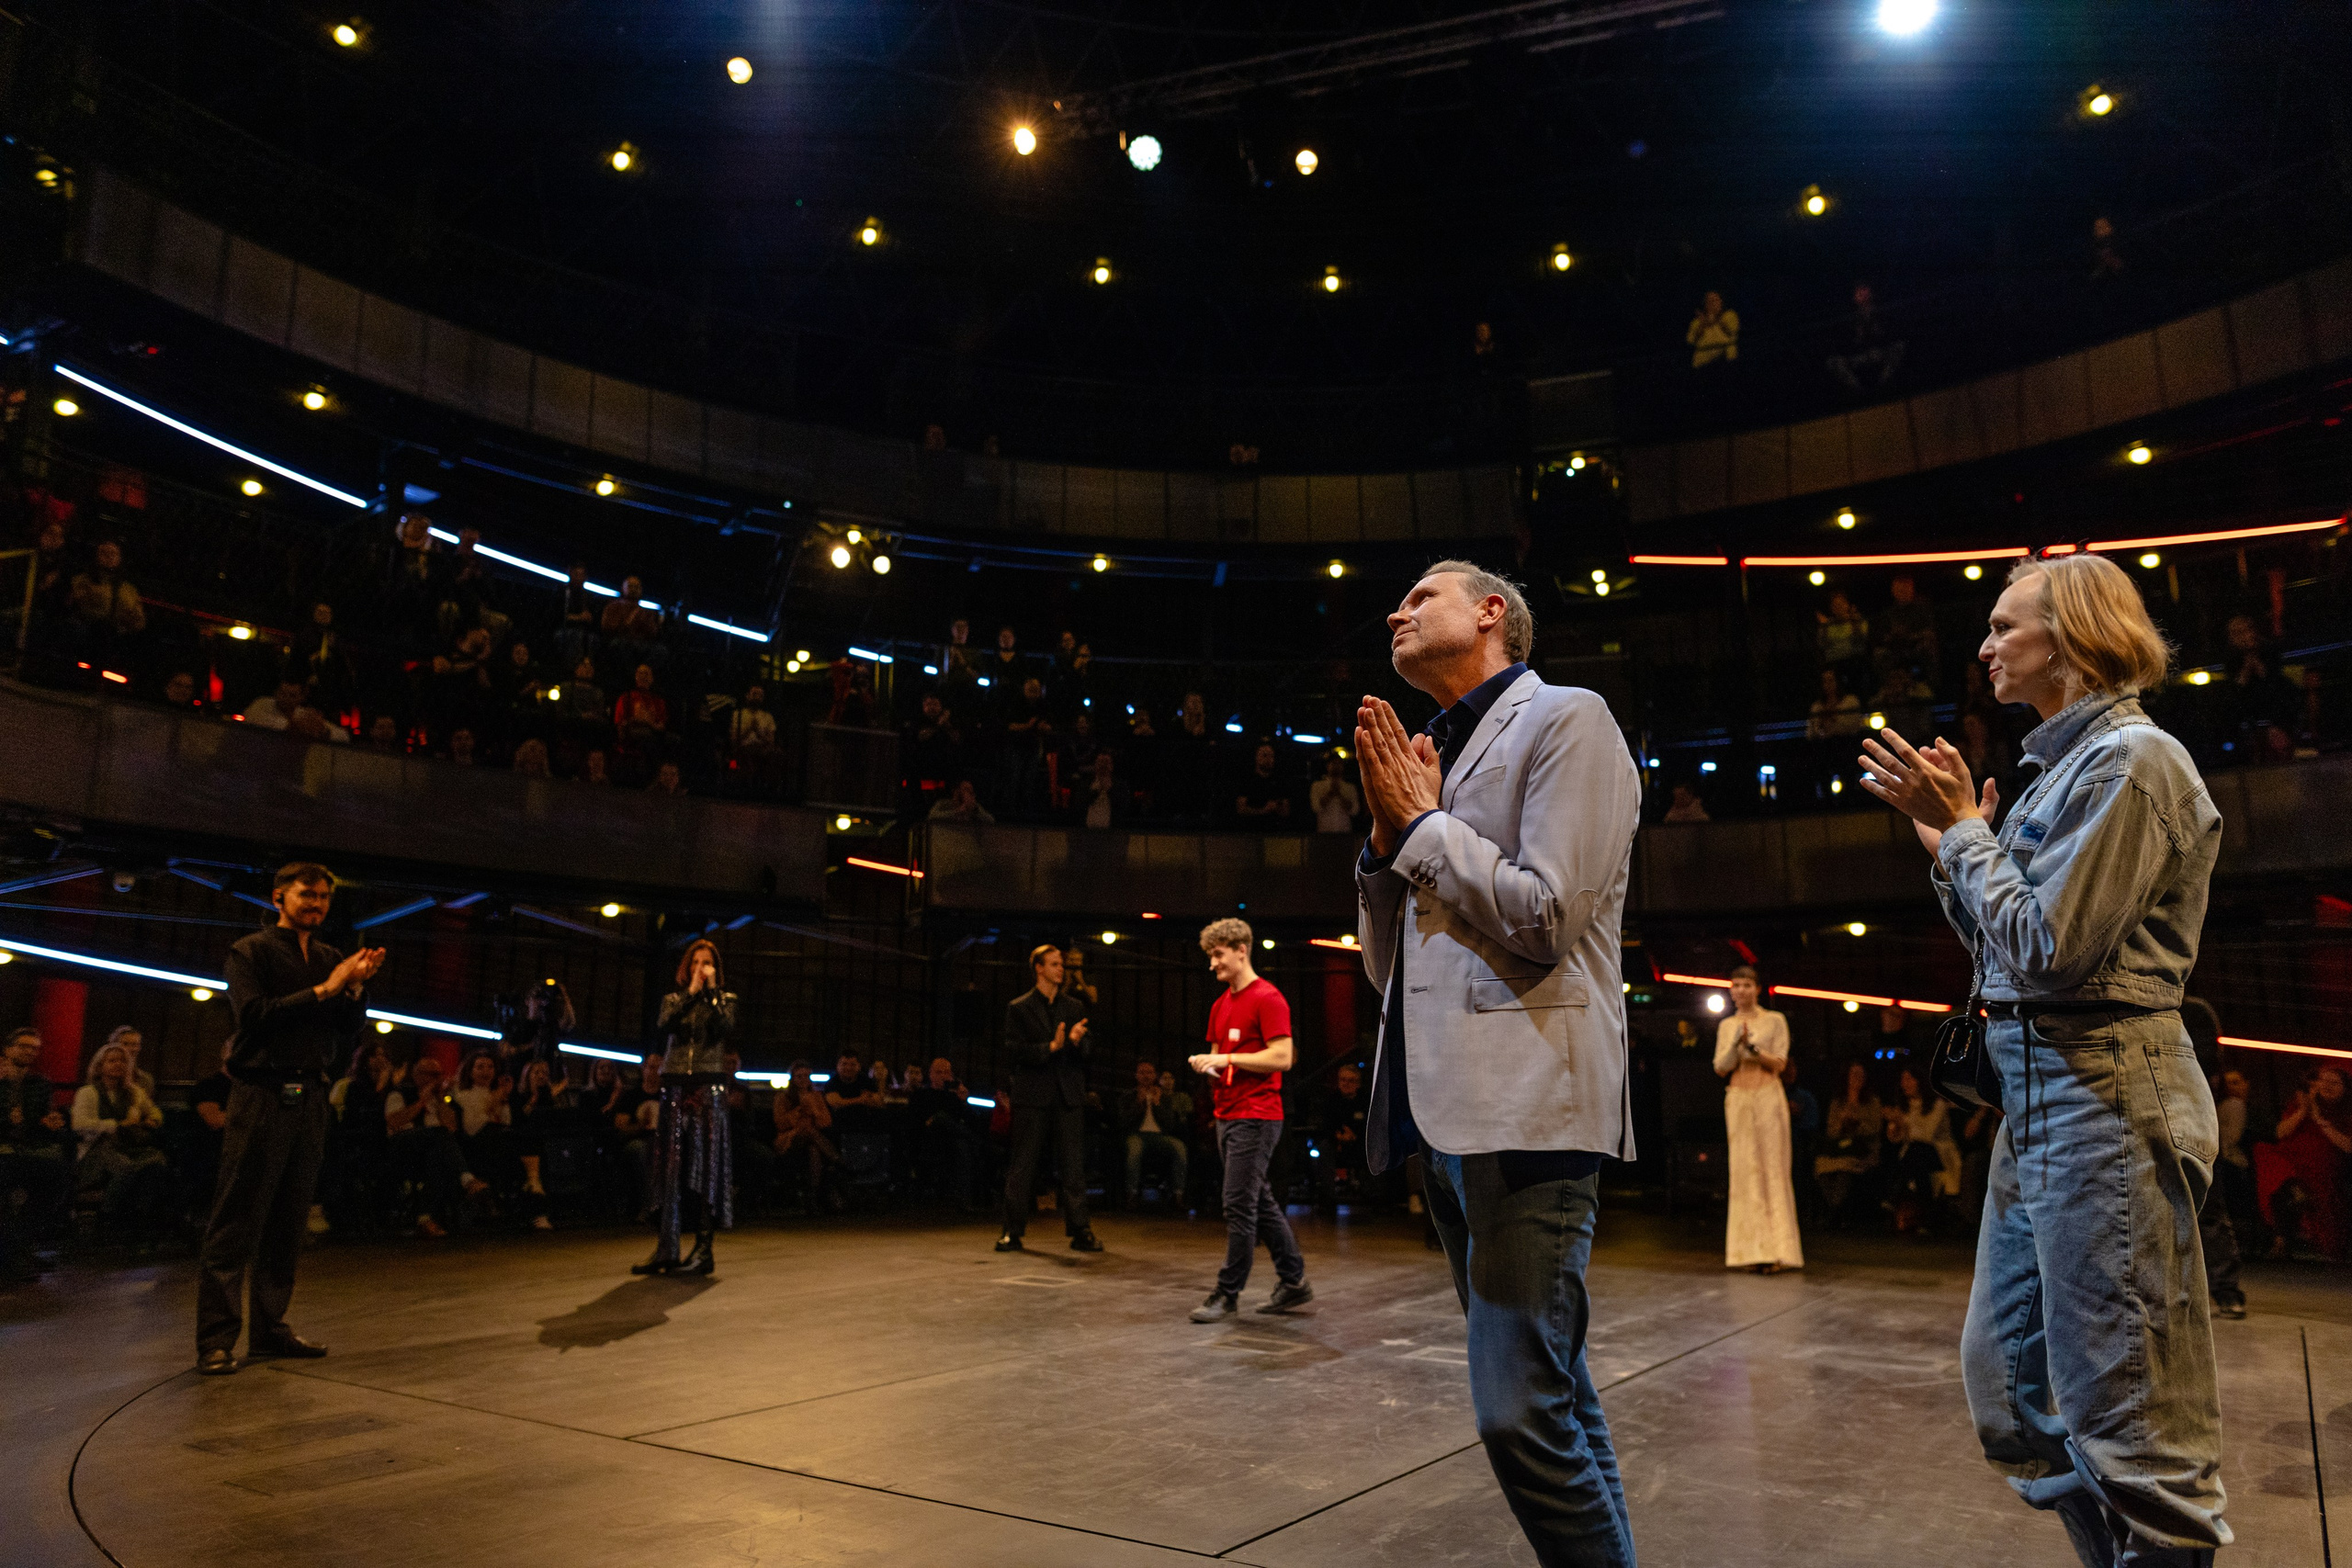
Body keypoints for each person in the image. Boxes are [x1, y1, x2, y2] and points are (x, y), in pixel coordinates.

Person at [1859, 550, 2228, 1564]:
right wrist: (1952, 847)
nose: (1982, 646)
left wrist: (1968, 837)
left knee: (2134, 1419)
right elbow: (2006, 944)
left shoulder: (2131, 764)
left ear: (2069, 640)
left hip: (2104, 1088)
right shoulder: (2060, 772)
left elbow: (2050, 952)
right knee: (2007, 1393)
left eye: (2001, 626)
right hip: (2045, 1094)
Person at [1352, 559, 1642, 1568]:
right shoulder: (1434, 754)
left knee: (1515, 1413)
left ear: (1490, 613)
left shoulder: (1569, 718)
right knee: (1546, 1391)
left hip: (1529, 1107)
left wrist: (1423, 829)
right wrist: (1388, 844)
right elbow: (1395, 972)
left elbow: (1546, 916)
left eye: (1419, 595)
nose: (1396, 609)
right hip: (1446, 1114)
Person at [198, 863, 385, 1375]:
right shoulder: (250, 951)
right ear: (279, 897)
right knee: (238, 1217)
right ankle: (216, 1339)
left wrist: (354, 988)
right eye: (307, 895)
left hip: (310, 1094)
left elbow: (345, 1029)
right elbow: (254, 1016)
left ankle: (269, 1329)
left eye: (324, 897)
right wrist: (330, 986)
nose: (317, 904)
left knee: (288, 1218)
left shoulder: (327, 957)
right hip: (261, 1091)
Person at [1184, 919, 1311, 1320]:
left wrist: (1227, 1057)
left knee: (1238, 1203)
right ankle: (1293, 1281)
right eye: (1210, 957)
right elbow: (1221, 1058)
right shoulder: (1221, 1005)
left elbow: (1283, 1057)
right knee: (1258, 1198)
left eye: (1218, 955)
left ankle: (1227, 1291)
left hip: (1256, 1115)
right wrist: (1208, 1063)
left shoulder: (1268, 998)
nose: (1213, 964)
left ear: (1242, 949)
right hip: (1228, 1113)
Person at [632, 939, 736, 1277]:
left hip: (708, 1086)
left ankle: (704, 1250)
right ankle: (667, 1248)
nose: (701, 969)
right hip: (675, 1083)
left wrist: (710, 994)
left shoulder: (726, 1001)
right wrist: (692, 993)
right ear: (686, 968)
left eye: (707, 963)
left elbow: (724, 1028)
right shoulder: (673, 1001)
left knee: (707, 1166)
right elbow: (664, 1027)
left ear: (716, 970)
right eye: (696, 963)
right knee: (670, 1165)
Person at [995, 943, 1102, 1254]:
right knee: (1023, 1164)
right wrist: (1051, 1048)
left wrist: (1077, 1042)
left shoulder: (1073, 1007)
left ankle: (1080, 1230)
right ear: (1039, 968)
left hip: (1067, 1093)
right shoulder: (1019, 1007)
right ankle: (1011, 1231)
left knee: (1073, 1165)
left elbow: (1088, 1050)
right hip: (1033, 1094)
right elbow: (1013, 1052)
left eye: (1061, 964)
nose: (1061, 969)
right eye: (1054, 964)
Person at [1713, 967, 1803, 1273]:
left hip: (1767, 1095)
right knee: (1744, 1171)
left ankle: (1778, 1251)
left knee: (1771, 1169)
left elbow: (1779, 1062)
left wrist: (1752, 1049)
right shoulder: (1727, 1025)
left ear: (1757, 989)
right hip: (1738, 1098)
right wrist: (1735, 1045)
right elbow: (1720, 1067)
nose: (1740, 990)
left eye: (1747, 985)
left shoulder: (1774, 1021)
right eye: (1735, 985)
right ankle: (1749, 1250)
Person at [71, 1042, 173, 1240]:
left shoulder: (133, 1092)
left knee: (157, 1160)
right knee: (124, 1166)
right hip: (96, 1149)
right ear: (100, 1066)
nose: (118, 1065)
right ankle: (108, 1216)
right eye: (112, 1061)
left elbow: (154, 1111)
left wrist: (152, 1119)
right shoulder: (88, 1092)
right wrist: (117, 1124)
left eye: (122, 1061)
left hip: (126, 1146)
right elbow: (81, 1124)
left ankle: (140, 1216)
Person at [2255, 1065, 2349, 1262]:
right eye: (2323, 1081)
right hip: (2291, 1160)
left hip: (2323, 1165)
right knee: (2278, 1172)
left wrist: (2319, 1119)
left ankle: (2285, 1236)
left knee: (2294, 1184)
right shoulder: (2300, 1104)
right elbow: (2281, 1133)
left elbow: (2348, 1146)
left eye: (2334, 1083)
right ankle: (2281, 1239)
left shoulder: (2346, 1111)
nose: (2327, 1086)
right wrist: (2304, 1111)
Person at [1813, 1061, 1884, 1225]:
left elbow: (1875, 1128)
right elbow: (1831, 1131)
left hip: (1863, 1151)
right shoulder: (1838, 1102)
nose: (1856, 1078)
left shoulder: (1872, 1101)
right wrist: (1842, 1124)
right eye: (1853, 1074)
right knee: (1822, 1167)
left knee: (1845, 1170)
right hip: (1840, 1149)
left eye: (1860, 1075)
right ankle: (1836, 1208)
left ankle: (1835, 1213)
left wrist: (1857, 1123)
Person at [1309, 753, 1361, 834]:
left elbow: (1355, 811)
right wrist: (1330, 794)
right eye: (1333, 763)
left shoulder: (1350, 788)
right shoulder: (1317, 786)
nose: (1336, 766)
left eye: (1339, 764)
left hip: (1345, 832)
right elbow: (1316, 808)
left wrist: (1340, 795)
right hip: (1324, 831)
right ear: (1327, 766)